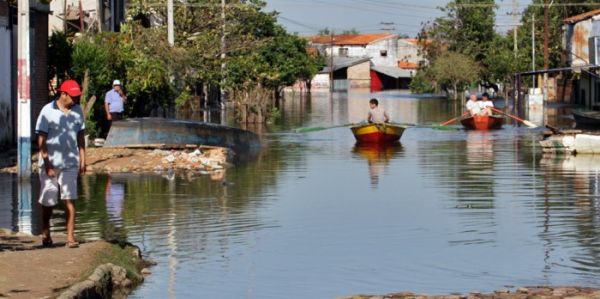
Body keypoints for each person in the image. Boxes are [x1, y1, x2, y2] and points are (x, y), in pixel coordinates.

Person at [35, 79, 86, 248]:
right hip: (50, 163)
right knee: (48, 201)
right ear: (63, 94)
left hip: (70, 162)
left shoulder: (78, 111)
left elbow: (80, 137)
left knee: (69, 200)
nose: (75, 100)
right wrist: (47, 164)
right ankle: (46, 233)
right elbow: (41, 140)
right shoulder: (47, 111)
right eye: (73, 96)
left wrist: (83, 160)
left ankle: (70, 237)